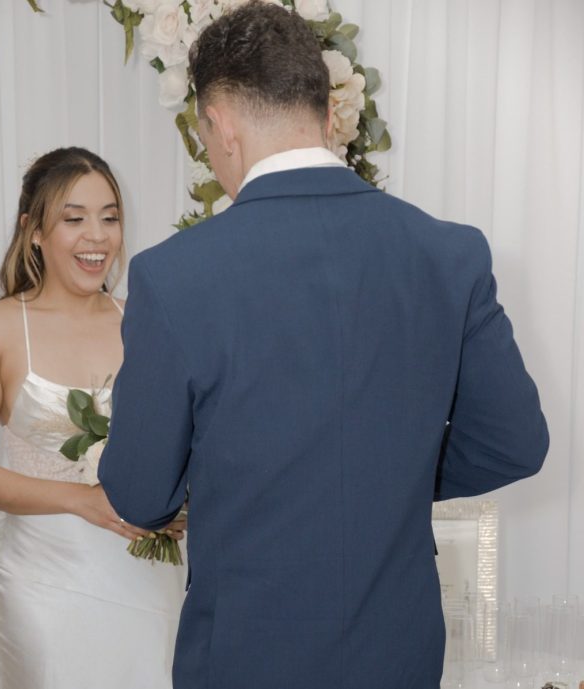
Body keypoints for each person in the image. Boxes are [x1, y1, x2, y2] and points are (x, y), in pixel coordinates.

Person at [97, 3, 549, 688]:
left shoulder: (174, 276)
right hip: (399, 654)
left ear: (219, 123)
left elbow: (138, 492)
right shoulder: (449, 254)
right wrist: (386, 471)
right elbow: (515, 441)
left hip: (246, 654)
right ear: (327, 112)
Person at [0, 147, 187, 689]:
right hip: (46, 583)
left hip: (148, 581)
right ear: (34, 230)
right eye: (74, 219)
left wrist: (182, 500)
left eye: (110, 217)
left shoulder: (147, 321)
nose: (96, 236)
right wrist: (86, 502)